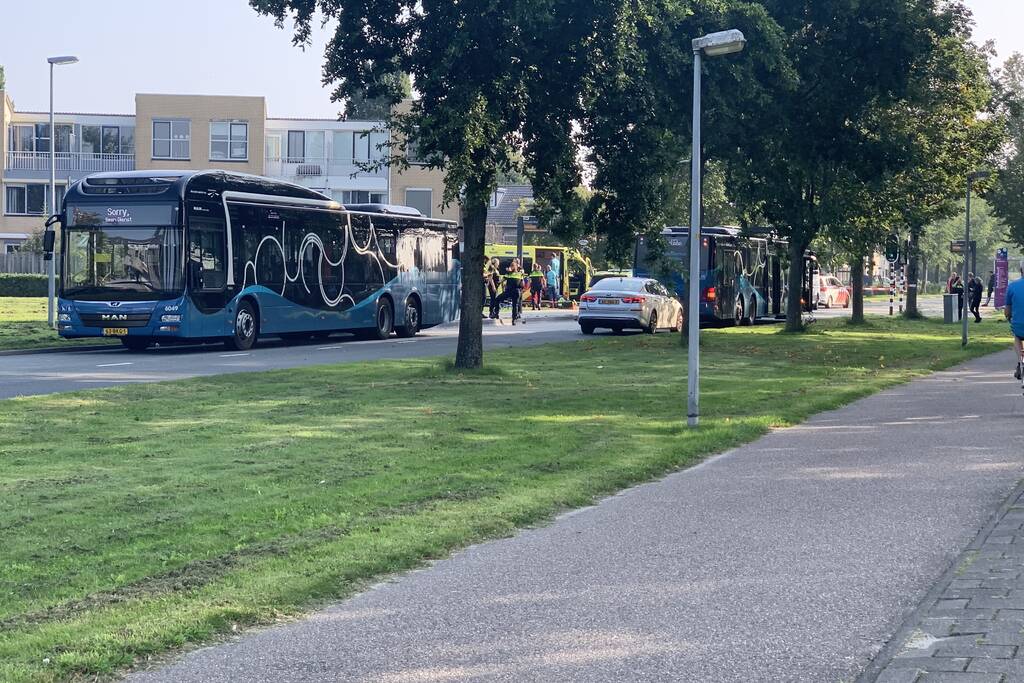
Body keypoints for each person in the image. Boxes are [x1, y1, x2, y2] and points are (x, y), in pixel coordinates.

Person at [1004, 269, 1024, 379]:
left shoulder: (1012, 286)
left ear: (1021, 270)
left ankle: (1021, 362)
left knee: (1017, 336)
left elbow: (1007, 311)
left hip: (1019, 325)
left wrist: (1008, 317)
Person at [502, 259, 525, 324]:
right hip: (514, 288)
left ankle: (516, 315)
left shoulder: (520, 269)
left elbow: (521, 278)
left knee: (517, 303)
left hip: (517, 289)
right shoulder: (513, 270)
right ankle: (516, 315)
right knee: (516, 303)